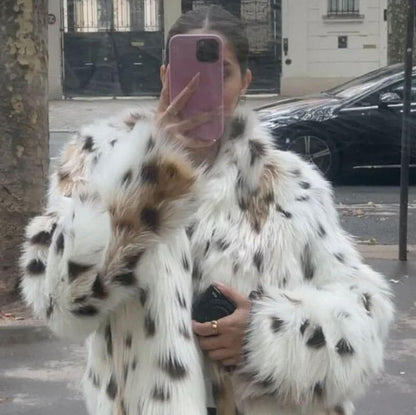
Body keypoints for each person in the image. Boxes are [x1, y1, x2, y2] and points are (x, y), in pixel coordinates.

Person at [20, 5, 393, 415]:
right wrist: (145, 177)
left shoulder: (289, 185)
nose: (201, 86)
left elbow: (363, 313)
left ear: (245, 82)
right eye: (186, 74)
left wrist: (265, 336)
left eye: (222, 73)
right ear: (165, 76)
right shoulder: (94, 163)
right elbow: (62, 304)